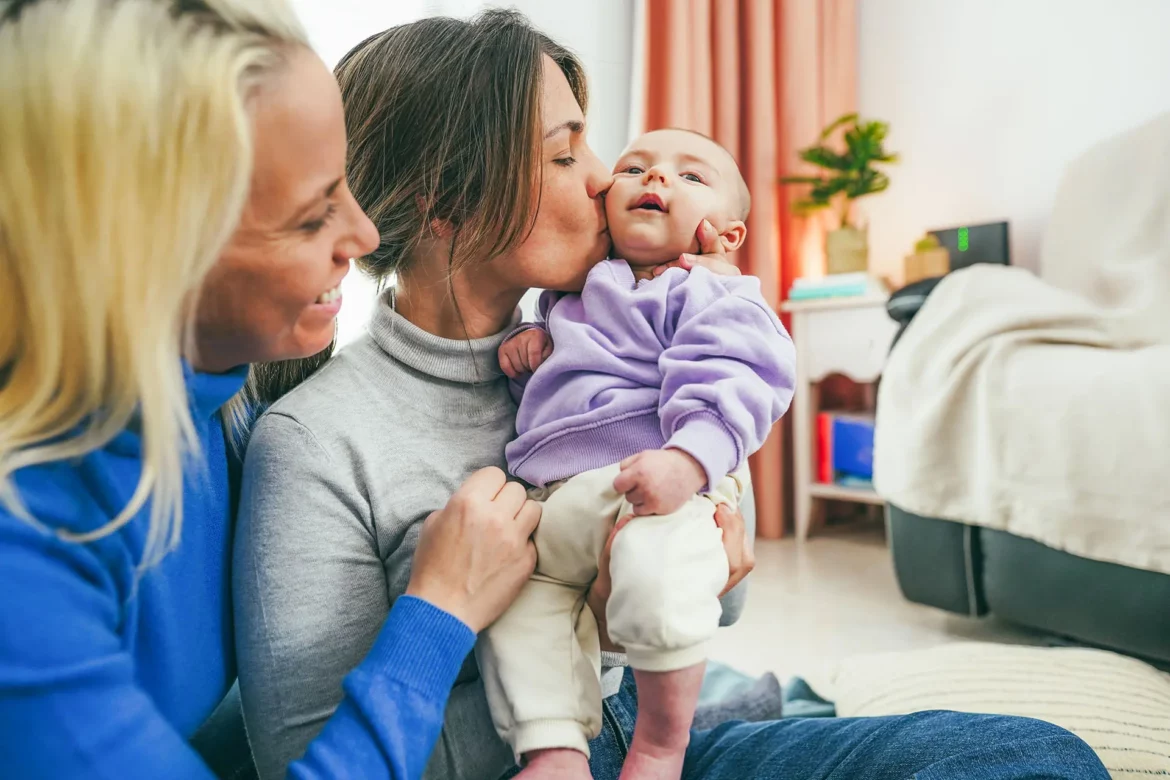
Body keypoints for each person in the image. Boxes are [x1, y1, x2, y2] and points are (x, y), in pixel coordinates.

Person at [234, 8, 1109, 780]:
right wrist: (445, 615)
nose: (606, 177)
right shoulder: (317, 443)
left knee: (1035, 759)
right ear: (444, 203)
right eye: (566, 152)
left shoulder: (615, 341)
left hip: (665, 749)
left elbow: (716, 595)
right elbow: (301, 762)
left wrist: (684, 575)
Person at [0, 1, 543, 777]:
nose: (361, 238)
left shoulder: (221, 408)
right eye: (311, 218)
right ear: (146, 257)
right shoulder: (22, 567)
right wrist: (438, 616)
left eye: (346, 188)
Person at [482, 127, 795, 780]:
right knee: (519, 608)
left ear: (726, 234)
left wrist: (688, 462)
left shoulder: (709, 288)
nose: (656, 179)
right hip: (553, 503)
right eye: (636, 168)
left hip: (655, 490)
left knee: (658, 579)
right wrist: (530, 348)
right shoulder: (571, 292)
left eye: (689, 177)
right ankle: (554, 750)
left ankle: (659, 743)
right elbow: (570, 386)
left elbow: (744, 376)